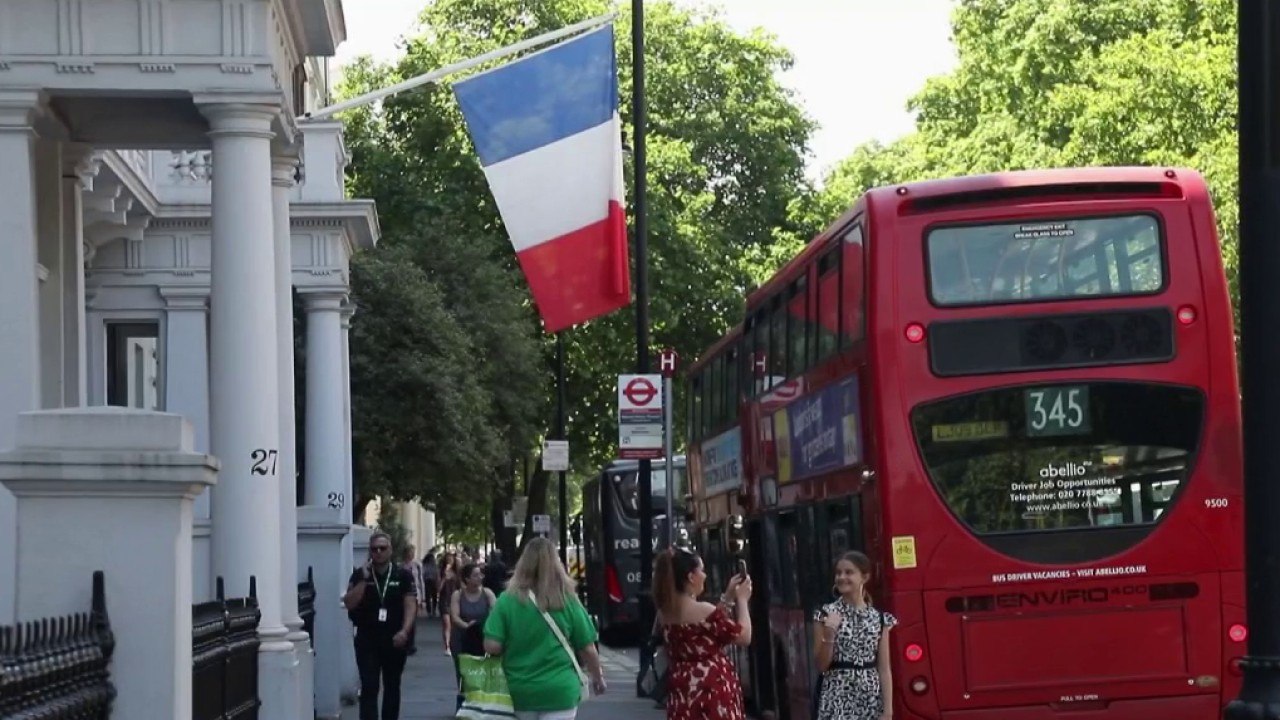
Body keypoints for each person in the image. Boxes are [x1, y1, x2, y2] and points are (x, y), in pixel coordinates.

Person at [483, 537, 608, 719]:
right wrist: (597, 677)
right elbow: (587, 648)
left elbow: (491, 646)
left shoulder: (507, 600)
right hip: (560, 690)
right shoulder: (567, 600)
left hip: (519, 690)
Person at [653, 546, 752, 720]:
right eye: (702, 570)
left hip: (683, 694)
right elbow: (743, 636)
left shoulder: (664, 613)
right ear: (691, 577)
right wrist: (742, 600)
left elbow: (708, 627)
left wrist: (727, 597)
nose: (705, 576)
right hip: (711, 693)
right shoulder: (703, 610)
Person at [813, 551, 897, 720]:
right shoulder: (825, 614)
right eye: (838, 573)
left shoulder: (880, 619)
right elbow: (821, 666)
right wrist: (829, 635)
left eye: (849, 572)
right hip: (836, 698)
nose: (841, 577)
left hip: (870, 700)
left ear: (864, 577)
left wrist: (888, 709)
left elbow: (884, 668)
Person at [342, 532, 418, 720]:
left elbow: (410, 605)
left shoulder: (402, 575)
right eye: (375, 549)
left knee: (392, 685)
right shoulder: (360, 574)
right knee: (369, 685)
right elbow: (349, 603)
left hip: (394, 638)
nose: (378, 552)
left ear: (390, 550)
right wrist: (364, 580)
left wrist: (405, 631)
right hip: (367, 638)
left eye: (383, 548)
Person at [449, 562, 496, 709]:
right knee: (463, 672)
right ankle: (463, 703)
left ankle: (481, 702)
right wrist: (467, 626)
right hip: (462, 638)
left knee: (483, 670)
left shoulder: (487, 593)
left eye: (480, 574)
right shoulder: (458, 595)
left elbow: (496, 612)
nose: (480, 577)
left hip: (482, 638)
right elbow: (454, 616)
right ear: (467, 579)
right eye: (476, 575)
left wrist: (485, 626)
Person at [422, 552, 441, 617]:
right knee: (428, 596)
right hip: (428, 581)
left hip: (433, 581)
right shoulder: (425, 565)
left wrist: (438, 581)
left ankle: (433, 609)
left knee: (434, 596)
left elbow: (437, 573)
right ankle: (429, 610)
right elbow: (423, 573)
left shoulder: (435, 565)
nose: (432, 559)